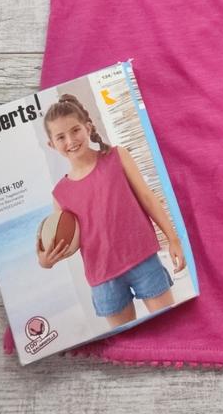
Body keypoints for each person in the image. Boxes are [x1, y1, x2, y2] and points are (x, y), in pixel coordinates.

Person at [36, 93, 186, 327]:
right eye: (61, 137)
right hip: (103, 278)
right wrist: (46, 261)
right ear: (52, 145)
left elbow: (148, 199)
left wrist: (173, 238)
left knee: (170, 327)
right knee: (126, 342)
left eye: (75, 130)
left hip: (143, 260)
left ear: (87, 127)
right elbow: (68, 240)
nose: (71, 140)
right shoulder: (60, 194)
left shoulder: (117, 157)